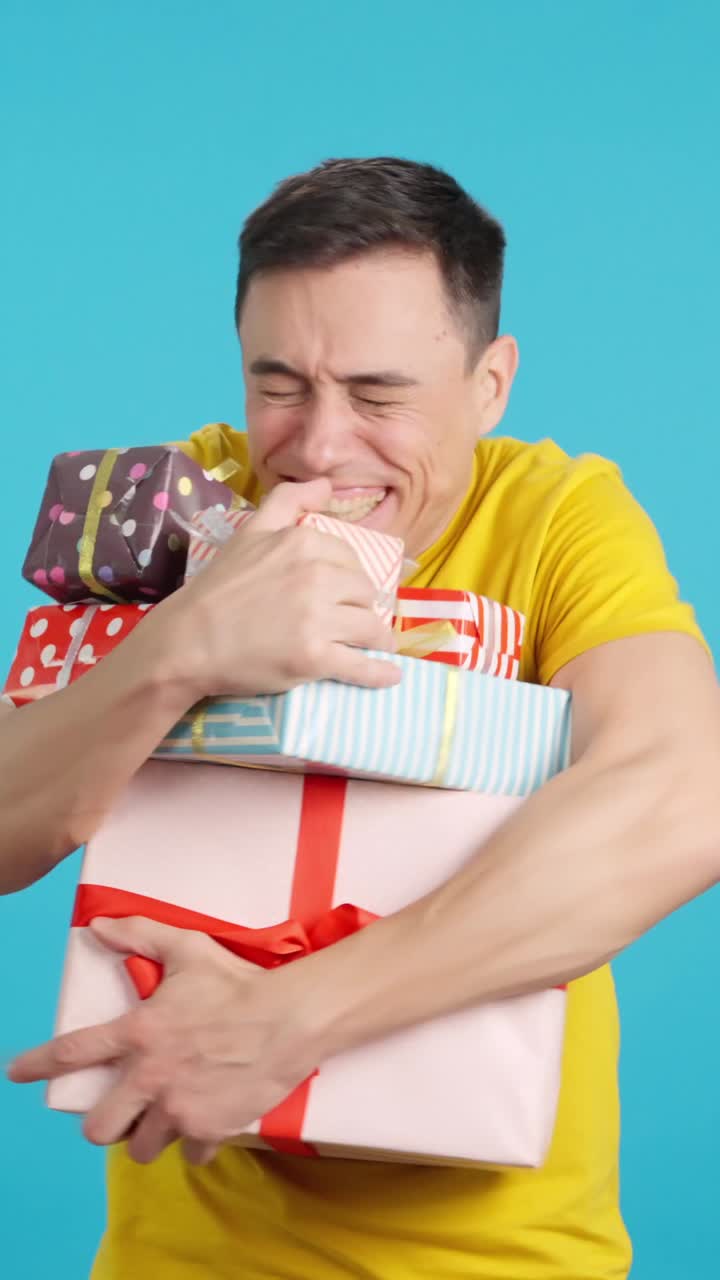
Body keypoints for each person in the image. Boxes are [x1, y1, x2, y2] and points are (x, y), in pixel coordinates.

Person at [3, 157, 718, 1280]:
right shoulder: (188, 497)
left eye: (381, 396)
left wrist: (285, 1022)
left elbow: (683, 800)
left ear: (490, 383)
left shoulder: (553, 517)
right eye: (279, 384)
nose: (323, 446)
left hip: (499, 1258)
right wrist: (183, 645)